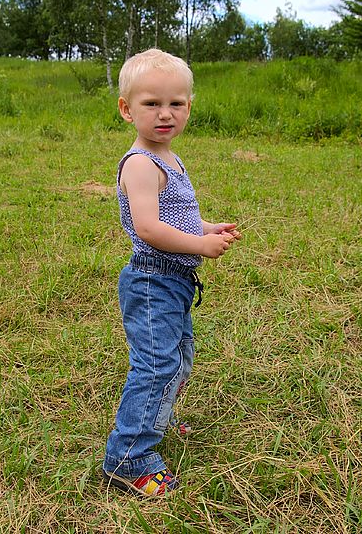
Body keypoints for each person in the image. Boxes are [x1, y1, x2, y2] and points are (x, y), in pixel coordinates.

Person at [102, 48, 241, 497]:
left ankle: (154, 419)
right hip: (151, 282)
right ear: (127, 109)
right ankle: (128, 459)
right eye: (151, 104)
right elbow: (148, 227)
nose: (165, 114)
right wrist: (200, 245)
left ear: (189, 106)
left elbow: (174, 219)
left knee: (179, 359)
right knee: (157, 364)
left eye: (175, 103)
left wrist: (205, 227)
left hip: (174, 283)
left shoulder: (170, 158)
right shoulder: (141, 163)